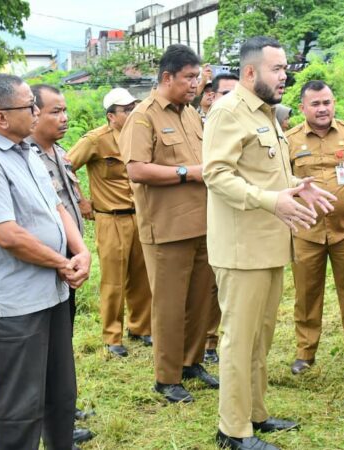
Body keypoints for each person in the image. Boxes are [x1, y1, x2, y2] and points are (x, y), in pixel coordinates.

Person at [203, 36, 336, 450]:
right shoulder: (227, 112)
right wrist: (271, 200)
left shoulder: (264, 114)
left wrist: (296, 187)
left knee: (259, 339)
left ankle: (255, 414)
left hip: (267, 246)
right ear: (250, 73)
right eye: (277, 69)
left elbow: (262, 175)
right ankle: (232, 431)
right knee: (238, 342)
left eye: (284, 69)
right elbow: (217, 175)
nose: (285, 76)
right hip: (241, 249)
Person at [0, 74, 91, 450]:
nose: (36, 112)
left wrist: (80, 251)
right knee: (19, 406)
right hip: (15, 305)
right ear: (0, 118)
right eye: (28, 106)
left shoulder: (27, 151)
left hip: (52, 297)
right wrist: (62, 264)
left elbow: (57, 205)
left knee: (60, 395)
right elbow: (8, 235)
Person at [120, 44, 219, 404]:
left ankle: (191, 363)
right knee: (169, 305)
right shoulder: (143, 116)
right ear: (167, 78)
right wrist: (186, 173)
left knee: (199, 302)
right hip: (166, 229)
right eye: (189, 78)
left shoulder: (191, 114)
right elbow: (136, 169)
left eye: (198, 77)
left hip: (202, 223)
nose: (196, 84)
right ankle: (166, 378)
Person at [285, 80, 344, 375]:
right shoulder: (289, 139)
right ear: (302, 108)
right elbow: (282, 181)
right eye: (315, 104)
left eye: (327, 102)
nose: (322, 109)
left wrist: (343, 196)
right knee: (306, 295)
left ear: (334, 103)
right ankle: (305, 352)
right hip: (306, 230)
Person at [27, 84, 95, 446]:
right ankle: (46, 418)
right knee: (43, 348)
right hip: (46, 264)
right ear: (33, 113)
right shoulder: (27, 160)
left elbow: (70, 202)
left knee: (62, 341)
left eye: (65, 110)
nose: (64, 117)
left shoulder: (60, 153)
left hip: (71, 262)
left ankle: (60, 407)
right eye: (55, 111)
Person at [67, 87, 153, 356]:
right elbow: (65, 166)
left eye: (133, 108)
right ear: (111, 116)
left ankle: (140, 327)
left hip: (140, 215)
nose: (132, 113)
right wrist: (81, 200)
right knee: (114, 279)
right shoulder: (96, 140)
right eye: (126, 110)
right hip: (111, 218)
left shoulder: (140, 137)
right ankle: (112, 336)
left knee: (142, 277)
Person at [202, 71, 239, 365]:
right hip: (195, 217)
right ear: (211, 96)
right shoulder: (197, 125)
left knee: (223, 288)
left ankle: (215, 342)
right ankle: (202, 343)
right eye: (225, 93)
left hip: (230, 220)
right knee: (203, 287)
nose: (232, 100)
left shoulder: (243, 126)